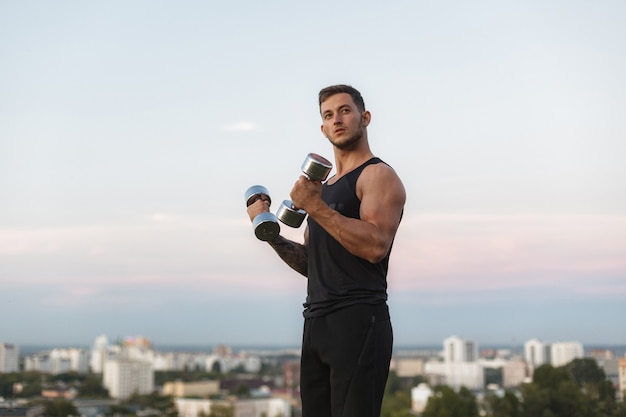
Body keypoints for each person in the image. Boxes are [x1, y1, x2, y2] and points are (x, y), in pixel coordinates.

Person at [246, 84, 406, 417]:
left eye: (345, 111)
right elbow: (311, 263)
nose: (337, 120)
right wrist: (269, 233)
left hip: (359, 319)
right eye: (328, 115)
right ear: (322, 128)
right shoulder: (324, 189)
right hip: (316, 322)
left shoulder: (378, 176)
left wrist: (315, 207)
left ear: (365, 117)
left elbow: (375, 245)